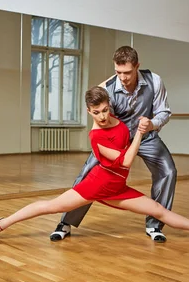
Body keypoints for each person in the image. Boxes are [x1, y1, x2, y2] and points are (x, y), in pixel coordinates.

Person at [0, 86, 189, 243]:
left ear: (108, 106)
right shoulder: (96, 136)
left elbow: (107, 85)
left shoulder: (114, 119)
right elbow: (127, 160)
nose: (101, 116)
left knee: (157, 210)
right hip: (97, 185)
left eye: (104, 110)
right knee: (48, 207)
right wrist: (139, 135)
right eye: (95, 112)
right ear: (88, 112)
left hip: (117, 188)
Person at [50, 46, 176, 243]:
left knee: (168, 171)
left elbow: (164, 112)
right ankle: (65, 222)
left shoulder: (155, 81)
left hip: (146, 136)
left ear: (137, 67)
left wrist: (151, 124)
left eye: (127, 72)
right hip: (116, 139)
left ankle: (155, 225)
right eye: (118, 72)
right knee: (87, 173)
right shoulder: (106, 87)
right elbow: (97, 116)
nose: (123, 77)